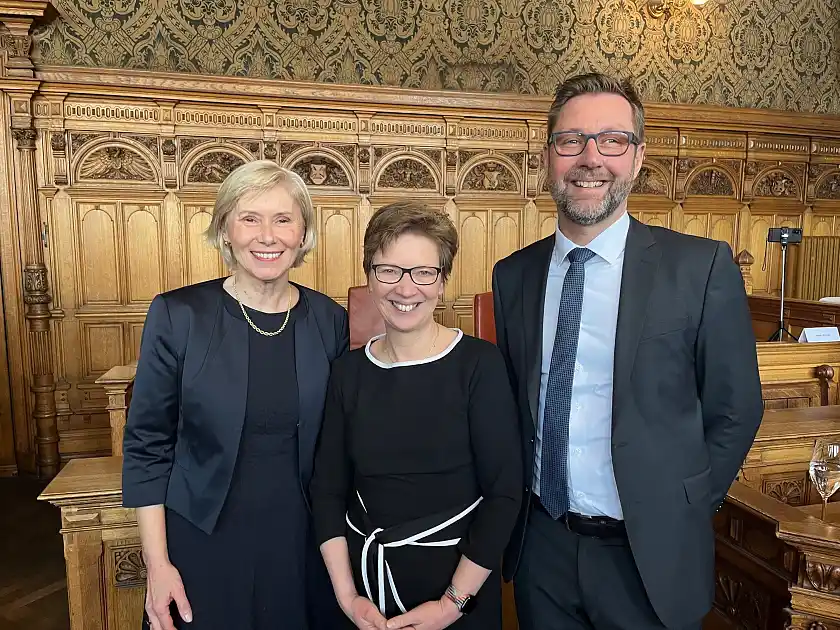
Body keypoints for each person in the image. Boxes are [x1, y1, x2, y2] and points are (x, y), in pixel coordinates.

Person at [492, 73, 764, 630]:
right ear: (549, 157)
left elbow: (736, 408)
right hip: (543, 546)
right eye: (571, 141)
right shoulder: (513, 276)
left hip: (649, 557)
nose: (590, 158)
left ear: (637, 158)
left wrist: (684, 508)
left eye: (612, 140)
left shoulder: (701, 267)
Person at [122, 160, 349, 630]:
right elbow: (147, 447)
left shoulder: (329, 320)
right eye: (250, 218)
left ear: (302, 233)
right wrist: (157, 565)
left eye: (283, 219)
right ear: (225, 229)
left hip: (299, 542)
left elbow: (339, 445)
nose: (267, 235)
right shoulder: (178, 315)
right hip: (201, 542)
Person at [310, 201, 523, 630]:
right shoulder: (347, 371)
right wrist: (348, 598)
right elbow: (327, 492)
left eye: (424, 272)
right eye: (388, 270)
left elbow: (504, 494)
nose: (406, 289)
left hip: (459, 598)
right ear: (369, 278)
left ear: (443, 282)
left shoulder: (480, 364)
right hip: (365, 598)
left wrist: (451, 604)